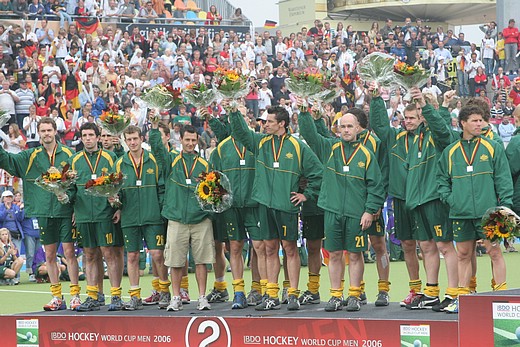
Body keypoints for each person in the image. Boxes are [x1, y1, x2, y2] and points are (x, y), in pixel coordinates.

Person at [229, 105, 322, 311]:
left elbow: (318, 172)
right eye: (265, 121)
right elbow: (241, 132)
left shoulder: (298, 146)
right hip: (264, 204)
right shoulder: (261, 142)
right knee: (270, 248)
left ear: (282, 124)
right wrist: (234, 112)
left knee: (290, 249)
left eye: (270, 121)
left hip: (287, 206)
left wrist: (306, 195)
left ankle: (293, 294)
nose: (265, 125)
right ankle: (271, 294)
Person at [298, 105, 385, 312]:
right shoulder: (330, 148)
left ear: (358, 129)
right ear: (338, 130)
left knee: (355, 255)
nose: (346, 130)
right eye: (342, 127)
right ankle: (336, 295)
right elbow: (311, 136)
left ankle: (354, 294)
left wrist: (369, 210)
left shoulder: (366, 154)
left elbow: (376, 185)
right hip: (332, 211)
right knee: (334, 254)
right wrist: (303, 114)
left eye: (350, 126)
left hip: (357, 213)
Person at [437, 104, 514, 313]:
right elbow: (442, 180)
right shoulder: (451, 152)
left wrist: (504, 208)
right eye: (475, 120)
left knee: (494, 251)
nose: (479, 124)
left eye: (481, 120)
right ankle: (462, 297)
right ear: (462, 123)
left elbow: (504, 179)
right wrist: (452, 200)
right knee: (463, 254)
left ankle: (501, 295)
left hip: (488, 213)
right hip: (460, 213)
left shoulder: (492, 147)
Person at [0, 117, 81, 310]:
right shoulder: (31, 155)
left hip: (65, 211)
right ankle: (56, 296)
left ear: (55, 132)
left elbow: (78, 184)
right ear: (39, 132)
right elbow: (7, 160)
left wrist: (73, 204)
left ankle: (76, 294)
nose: (46, 134)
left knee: (69, 253)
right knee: (50, 255)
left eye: (49, 130)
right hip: (44, 212)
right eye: (42, 131)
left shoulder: (69, 154)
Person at [149, 121, 215, 312]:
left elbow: (212, 192)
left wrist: (209, 212)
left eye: (193, 140)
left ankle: (202, 297)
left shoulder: (204, 164)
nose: (190, 143)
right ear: (181, 139)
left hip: (200, 219)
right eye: (187, 140)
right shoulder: (171, 160)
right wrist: (154, 130)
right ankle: (176, 297)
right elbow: (157, 149)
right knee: (175, 261)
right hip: (177, 219)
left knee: (201, 261)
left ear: (197, 141)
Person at [403, 88, 459, 312]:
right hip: (417, 201)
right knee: (426, 246)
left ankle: (454, 293)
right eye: (416, 110)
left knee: (445, 246)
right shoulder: (416, 138)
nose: (419, 114)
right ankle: (432, 292)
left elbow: (443, 130)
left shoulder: (436, 134)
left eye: (421, 110)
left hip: (434, 197)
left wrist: (429, 105)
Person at [114, 125, 170, 311]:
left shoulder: (153, 160)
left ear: (141, 139)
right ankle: (135, 296)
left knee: (157, 255)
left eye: (135, 139)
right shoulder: (120, 163)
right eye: (128, 139)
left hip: (152, 215)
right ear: (125, 141)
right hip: (129, 216)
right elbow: (116, 190)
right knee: (132, 256)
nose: (132, 142)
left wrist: (161, 210)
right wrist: (115, 202)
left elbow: (161, 188)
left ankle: (164, 291)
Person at [71, 122, 124, 312]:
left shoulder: (110, 158)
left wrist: (118, 207)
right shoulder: (75, 160)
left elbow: (119, 184)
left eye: (91, 135)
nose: (88, 138)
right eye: (84, 135)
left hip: (105, 214)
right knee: (90, 254)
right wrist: (72, 207)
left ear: (98, 137)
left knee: (109, 253)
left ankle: (116, 295)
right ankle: (92, 295)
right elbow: (71, 188)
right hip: (84, 215)